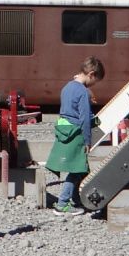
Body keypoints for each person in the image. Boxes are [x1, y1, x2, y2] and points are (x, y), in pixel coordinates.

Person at [47, 57, 104, 213]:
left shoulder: (67, 87)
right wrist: (87, 140)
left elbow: (68, 111)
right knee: (77, 169)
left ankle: (77, 199)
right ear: (91, 74)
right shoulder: (83, 92)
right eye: (95, 81)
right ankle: (62, 203)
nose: (93, 85)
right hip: (76, 132)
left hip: (64, 130)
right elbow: (84, 118)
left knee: (82, 170)